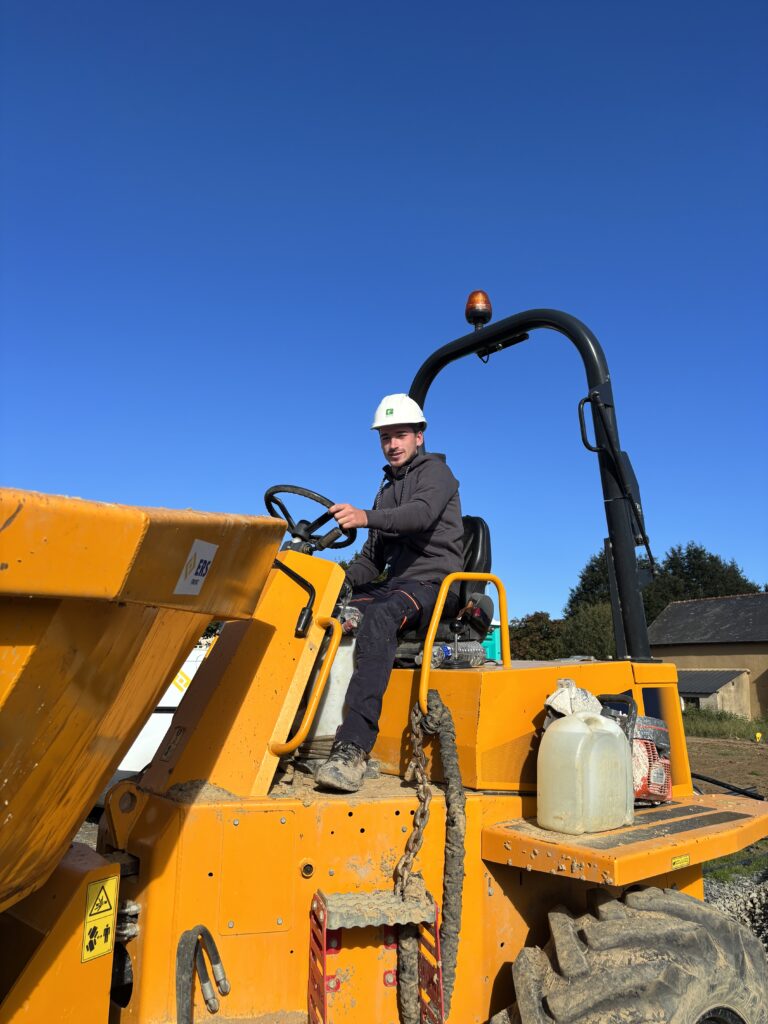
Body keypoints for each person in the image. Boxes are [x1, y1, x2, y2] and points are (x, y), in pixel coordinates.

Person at [314, 393, 463, 793]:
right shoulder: (385, 490)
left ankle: (352, 749)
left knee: (380, 616)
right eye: (385, 437)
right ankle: (305, 736)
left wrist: (365, 516)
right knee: (326, 610)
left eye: (400, 435)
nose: (392, 444)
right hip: (396, 584)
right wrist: (336, 583)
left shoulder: (437, 475)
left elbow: (419, 515)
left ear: (419, 436)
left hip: (436, 584)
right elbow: (371, 561)